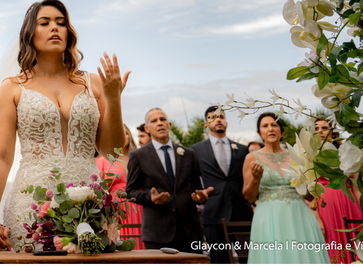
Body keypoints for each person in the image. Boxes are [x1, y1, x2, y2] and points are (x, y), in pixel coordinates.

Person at [0, 0, 129, 251]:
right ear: (30, 33)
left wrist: (113, 98)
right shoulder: (13, 87)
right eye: (45, 22)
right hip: (30, 204)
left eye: (61, 23)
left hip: (88, 205)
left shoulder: (93, 83)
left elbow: (111, 151)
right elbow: (1, 156)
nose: (55, 28)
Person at [242, 112, 328, 264]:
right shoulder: (252, 158)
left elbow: (309, 196)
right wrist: (256, 179)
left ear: (282, 131)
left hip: (299, 216)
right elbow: (249, 197)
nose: (270, 129)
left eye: (274, 125)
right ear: (259, 133)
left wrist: (306, 182)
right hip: (269, 217)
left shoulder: (296, 155)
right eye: (265, 126)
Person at [126, 107, 212, 252]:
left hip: (190, 231)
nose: (160, 123)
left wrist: (200, 197)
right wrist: (149, 197)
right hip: (157, 232)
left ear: (169, 125)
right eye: (154, 121)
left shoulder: (189, 154)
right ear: (147, 128)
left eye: (163, 119)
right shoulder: (138, 156)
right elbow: (130, 192)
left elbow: (196, 189)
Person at [190, 106, 254, 263]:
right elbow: (193, 181)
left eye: (221, 116)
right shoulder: (195, 150)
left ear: (226, 122)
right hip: (214, 214)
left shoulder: (242, 150)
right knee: (219, 260)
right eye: (213, 117)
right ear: (206, 124)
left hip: (242, 213)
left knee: (249, 259)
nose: (218, 120)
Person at [313, 117, 363, 263]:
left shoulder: (346, 153)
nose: (320, 131)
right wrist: (316, 218)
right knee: (333, 247)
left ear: (333, 132)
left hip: (349, 204)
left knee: (356, 248)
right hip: (325, 208)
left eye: (324, 128)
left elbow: (356, 187)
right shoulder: (311, 156)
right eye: (316, 129)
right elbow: (309, 192)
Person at [96, 124, 144, 249]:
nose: (123, 136)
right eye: (119, 133)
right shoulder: (103, 160)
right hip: (117, 210)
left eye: (126, 133)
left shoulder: (141, 157)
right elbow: (98, 191)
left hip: (140, 206)